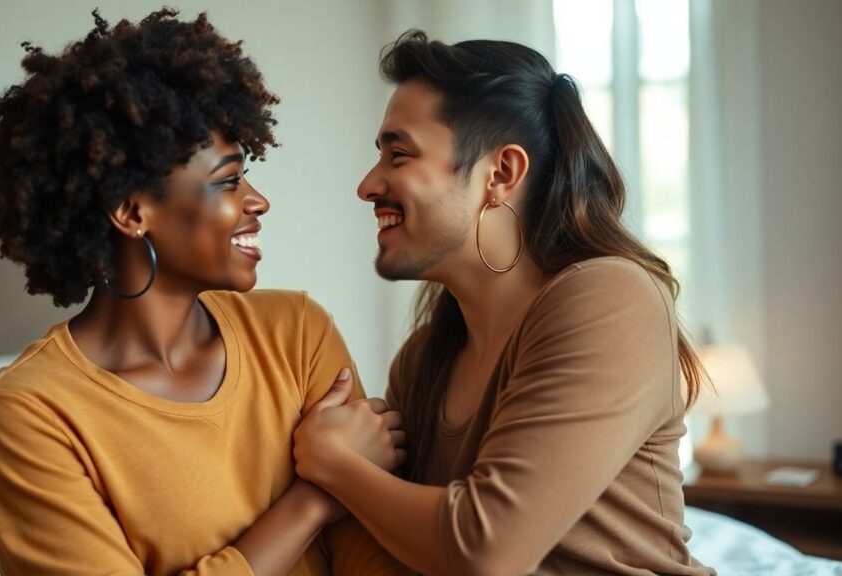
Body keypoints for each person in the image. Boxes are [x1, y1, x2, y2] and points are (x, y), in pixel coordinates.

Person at [0, 9, 409, 576]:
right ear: (131, 212)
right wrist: (316, 496)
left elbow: (373, 558)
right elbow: (340, 500)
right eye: (227, 181)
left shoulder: (295, 332)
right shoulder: (27, 417)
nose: (258, 201)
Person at [293, 30, 716, 575]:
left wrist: (334, 464)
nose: (368, 185)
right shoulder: (423, 360)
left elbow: (486, 548)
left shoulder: (612, 297)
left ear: (501, 174)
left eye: (399, 154)